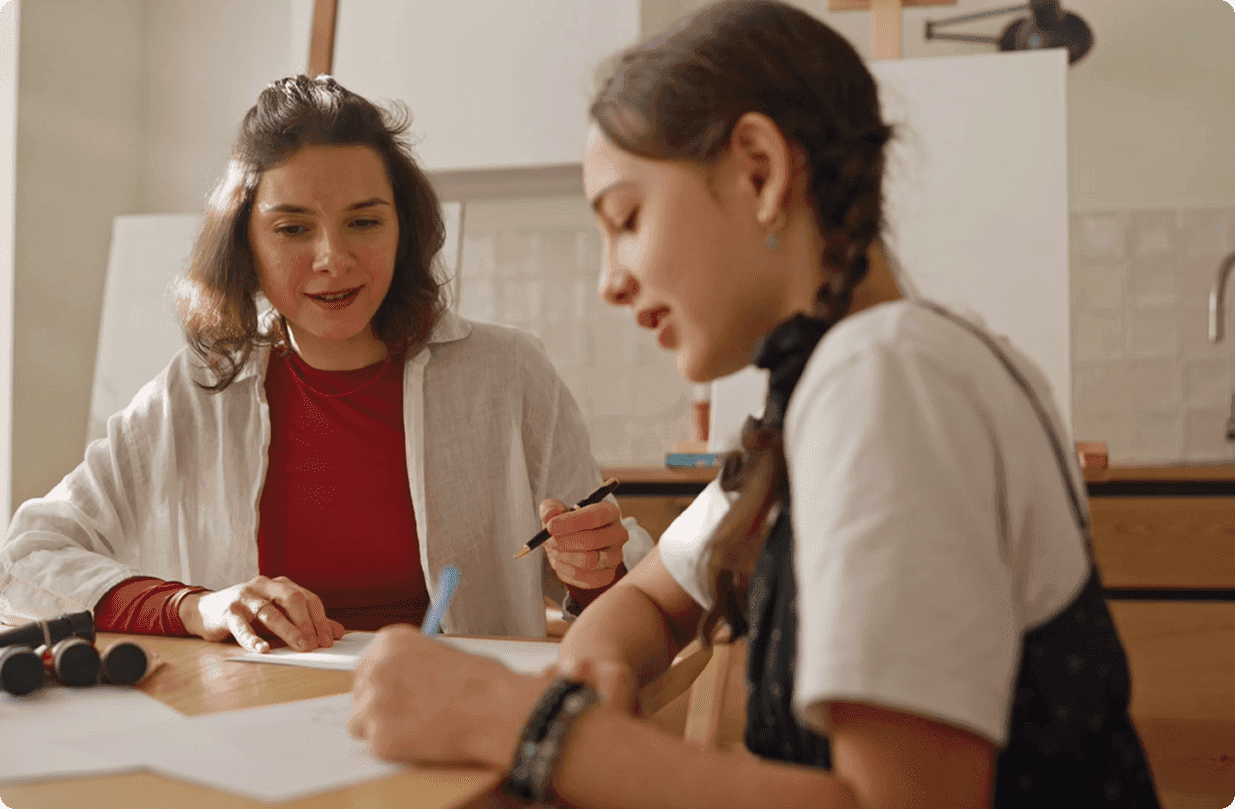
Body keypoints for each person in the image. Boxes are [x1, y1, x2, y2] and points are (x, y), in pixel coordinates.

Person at [347, 2, 1162, 807]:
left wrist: (524, 724)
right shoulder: (831, 394)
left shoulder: (887, 381)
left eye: (627, 219)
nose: (609, 279)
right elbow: (650, 597)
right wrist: (592, 665)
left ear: (760, 171)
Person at [0, 75, 652, 651]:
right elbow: (27, 555)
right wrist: (194, 606)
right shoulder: (197, 389)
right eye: (291, 229)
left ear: (404, 228)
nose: (331, 259)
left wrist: (597, 572)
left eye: (363, 223)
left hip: (458, 715)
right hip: (252, 723)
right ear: (245, 242)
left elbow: (613, 594)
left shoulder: (509, 372)